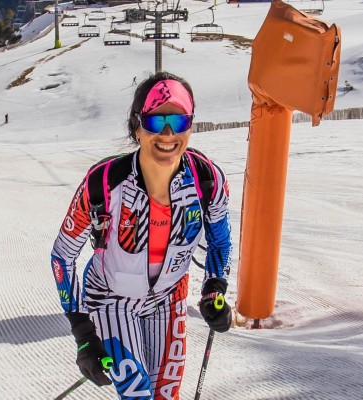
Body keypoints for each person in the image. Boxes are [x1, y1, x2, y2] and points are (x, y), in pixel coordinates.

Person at [51, 72, 234, 399]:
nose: (167, 134)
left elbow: (220, 241)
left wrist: (213, 288)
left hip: (169, 298)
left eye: (178, 121)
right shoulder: (104, 183)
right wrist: (83, 333)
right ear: (137, 126)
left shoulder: (207, 180)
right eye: (155, 121)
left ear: (190, 125)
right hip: (112, 300)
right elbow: (63, 256)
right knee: (138, 396)